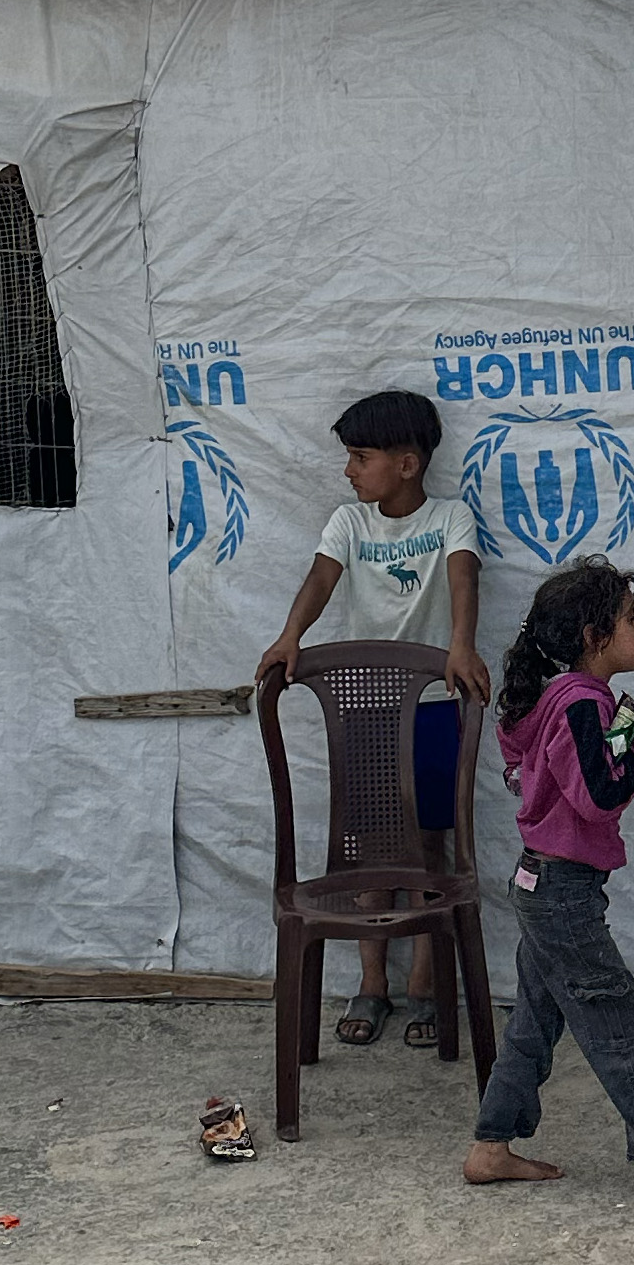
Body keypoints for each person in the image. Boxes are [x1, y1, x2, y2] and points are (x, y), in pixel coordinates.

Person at [462, 557, 634, 1192]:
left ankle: (491, 1146)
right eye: (630, 620)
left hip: (542, 883)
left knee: (535, 1021)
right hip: (563, 894)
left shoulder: (563, 699)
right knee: (620, 1021)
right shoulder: (582, 701)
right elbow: (597, 796)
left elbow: (548, 767)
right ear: (594, 636)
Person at [256, 386, 488, 1050]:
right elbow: (321, 580)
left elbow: (464, 579)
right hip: (366, 712)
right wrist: (289, 635)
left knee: (430, 847)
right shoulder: (348, 524)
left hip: (436, 707)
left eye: (359, 457)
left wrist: (462, 645)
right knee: (368, 851)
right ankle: (370, 984)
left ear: (407, 463)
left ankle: (423, 987)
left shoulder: (449, 517)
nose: (348, 470)